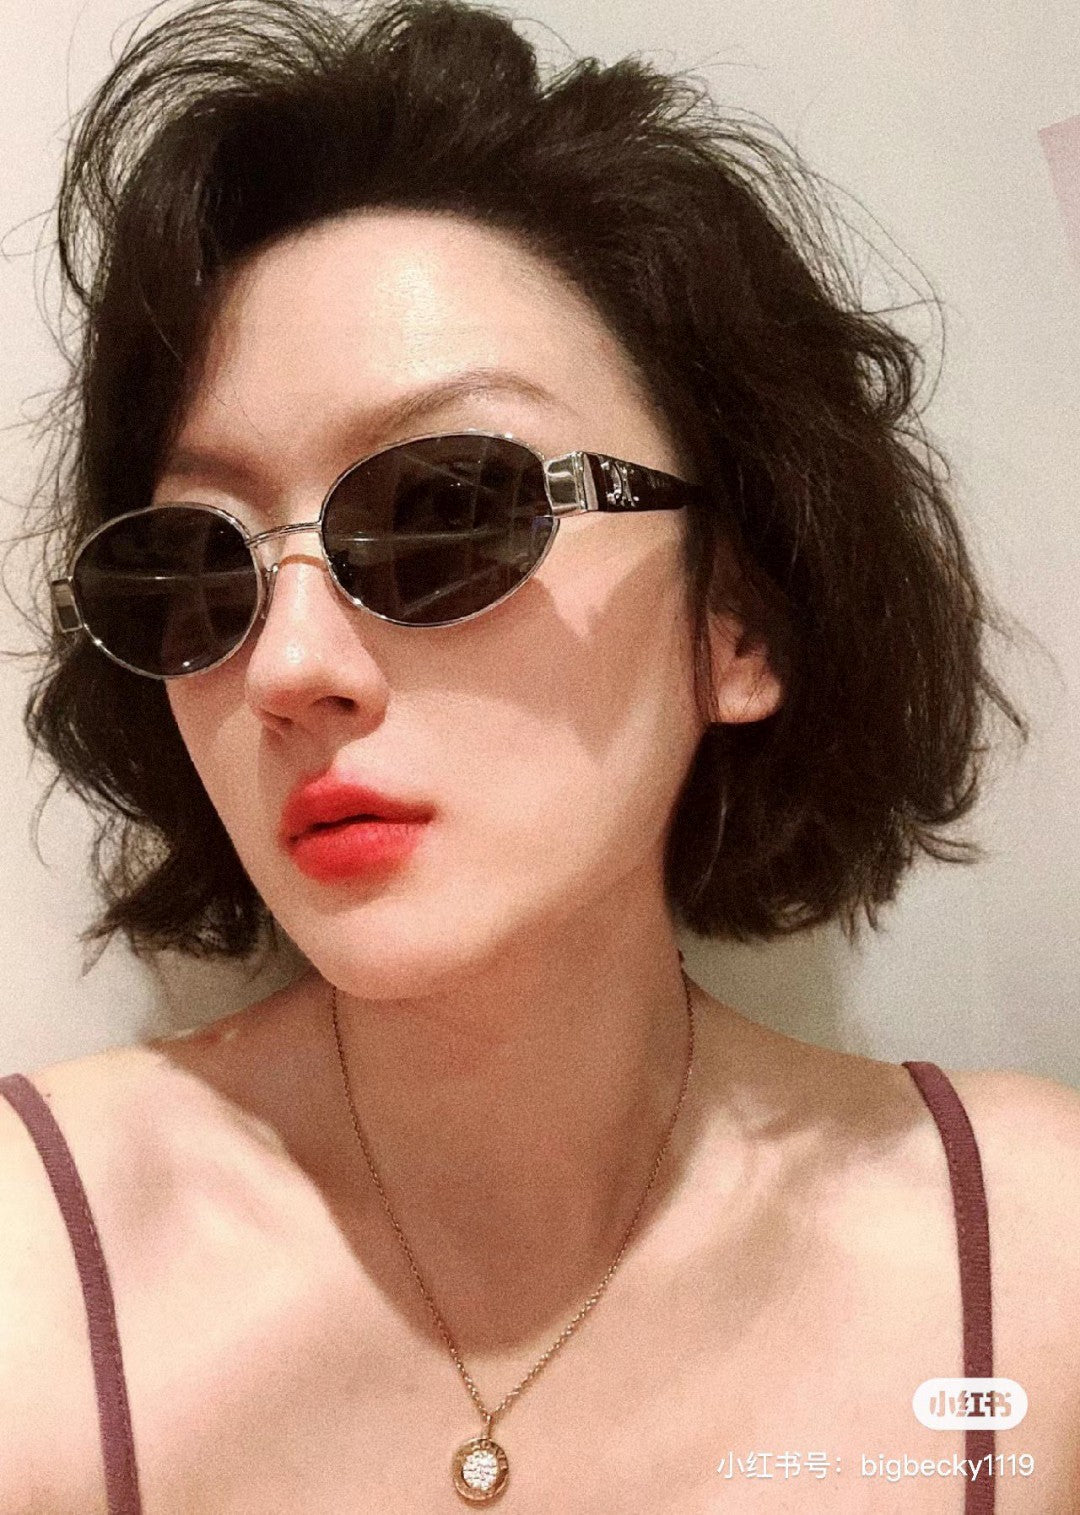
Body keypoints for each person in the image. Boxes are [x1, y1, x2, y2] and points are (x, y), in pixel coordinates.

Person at [1, 0, 1077, 1510]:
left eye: (446, 511)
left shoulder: (1031, 1266)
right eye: (197, 566)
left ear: (738, 620)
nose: (292, 669)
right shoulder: (33, 1276)